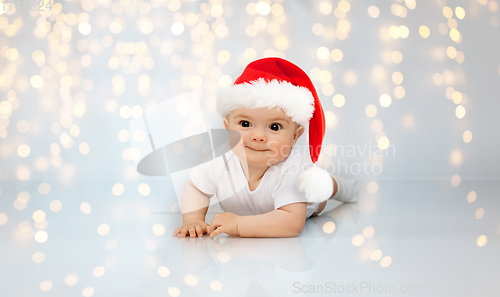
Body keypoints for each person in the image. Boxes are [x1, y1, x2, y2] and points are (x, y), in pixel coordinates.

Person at [173, 57, 358, 238]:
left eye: (274, 127)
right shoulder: (221, 160)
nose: (258, 136)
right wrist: (193, 219)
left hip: (309, 196)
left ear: (295, 137)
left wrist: (239, 225)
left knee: (323, 187)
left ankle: (342, 186)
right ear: (227, 128)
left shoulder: (293, 169)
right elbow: (197, 188)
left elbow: (291, 223)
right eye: (245, 124)